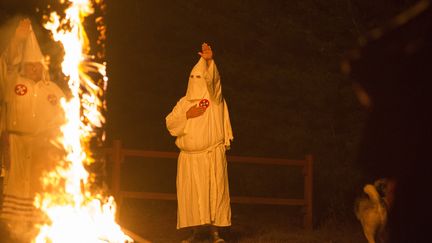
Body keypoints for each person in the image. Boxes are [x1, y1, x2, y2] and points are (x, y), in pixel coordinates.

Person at [342, 1, 432, 242]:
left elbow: (362, 58)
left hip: (415, 193)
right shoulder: (414, 77)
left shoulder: (412, 78)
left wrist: (422, 16)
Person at [0, 18, 65, 241]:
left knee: (39, 188)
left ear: (42, 66)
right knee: (16, 185)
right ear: (24, 65)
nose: (34, 69)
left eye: (37, 65)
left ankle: (36, 233)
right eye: (30, 65)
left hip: (41, 148)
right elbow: (6, 60)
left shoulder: (53, 90)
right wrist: (18, 38)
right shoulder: (13, 81)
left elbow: (65, 120)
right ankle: (11, 232)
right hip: (16, 143)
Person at [166, 43, 233, 243]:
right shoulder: (183, 103)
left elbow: (215, 82)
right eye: (193, 77)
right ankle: (195, 232)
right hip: (189, 158)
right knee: (192, 196)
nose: (196, 81)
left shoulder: (214, 100)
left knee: (213, 194)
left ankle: (214, 233)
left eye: (200, 77)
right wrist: (187, 115)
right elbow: (170, 123)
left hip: (210, 155)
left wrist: (209, 61)